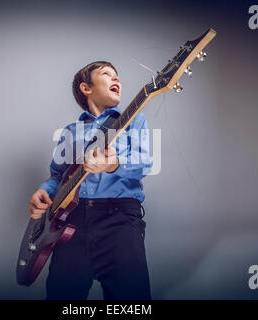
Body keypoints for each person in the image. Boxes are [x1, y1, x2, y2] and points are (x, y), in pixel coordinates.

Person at [29, 61, 153, 300]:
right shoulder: (70, 131)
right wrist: (43, 191)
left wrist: (113, 164)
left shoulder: (134, 119)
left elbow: (145, 163)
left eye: (118, 75)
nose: (116, 79)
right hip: (69, 223)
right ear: (86, 88)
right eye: (107, 74)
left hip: (118, 217)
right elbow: (58, 176)